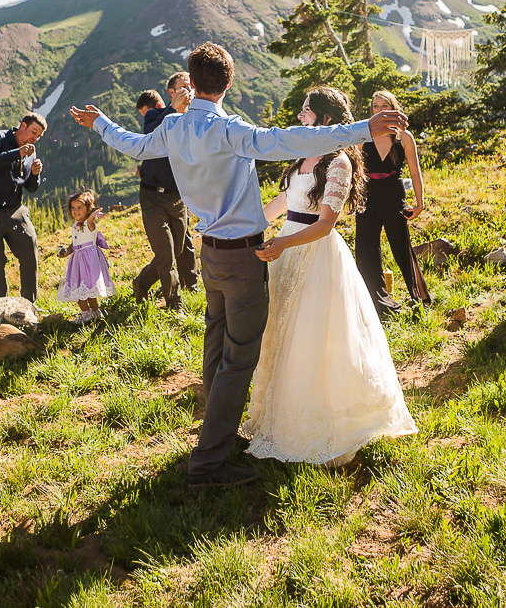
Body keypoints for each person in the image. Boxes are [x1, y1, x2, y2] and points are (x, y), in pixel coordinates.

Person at [70, 41, 408, 488]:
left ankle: (213, 434)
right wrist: (363, 127)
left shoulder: (171, 128)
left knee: (216, 343)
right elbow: (292, 139)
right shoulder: (231, 130)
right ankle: (210, 462)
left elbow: (134, 145)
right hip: (244, 255)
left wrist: (101, 123)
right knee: (238, 358)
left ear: (191, 83)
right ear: (228, 83)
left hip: (208, 251)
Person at [244, 87, 417, 465]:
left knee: (312, 339)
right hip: (285, 248)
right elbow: (283, 203)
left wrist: (282, 245)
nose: (300, 115)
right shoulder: (303, 155)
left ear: (324, 118)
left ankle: (324, 426)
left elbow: (325, 225)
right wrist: (252, 225)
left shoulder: (339, 162)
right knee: (282, 332)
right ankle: (275, 418)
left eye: (306, 110)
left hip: (316, 254)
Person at [354, 90, 430, 316]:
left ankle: (421, 298)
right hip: (367, 196)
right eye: (375, 106)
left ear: (393, 108)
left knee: (401, 246)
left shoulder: (404, 137)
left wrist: (420, 202)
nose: (378, 110)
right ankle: (379, 304)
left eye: (383, 105)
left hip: (393, 194)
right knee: (365, 250)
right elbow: (355, 172)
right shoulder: (363, 136)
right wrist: (352, 198)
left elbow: (415, 173)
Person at [131, 74, 199, 309]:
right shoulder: (155, 114)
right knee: (165, 253)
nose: (187, 92)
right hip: (153, 197)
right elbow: (152, 136)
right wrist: (172, 109)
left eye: (190, 88)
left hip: (178, 196)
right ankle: (174, 302)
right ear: (171, 92)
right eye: (182, 88)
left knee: (177, 249)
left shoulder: (194, 118)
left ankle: (142, 281)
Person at [0, 113, 46, 300]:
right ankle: (1, 305)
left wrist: (35, 174)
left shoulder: (31, 151)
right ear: (23, 125)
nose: (35, 138)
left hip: (16, 209)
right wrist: (18, 153)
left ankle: (29, 305)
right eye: (34, 131)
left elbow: (31, 188)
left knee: (30, 251)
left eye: (38, 135)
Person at [56, 189, 115, 322]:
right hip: (77, 259)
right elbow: (74, 243)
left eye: (80, 208)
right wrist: (67, 252)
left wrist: (93, 215)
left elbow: (90, 221)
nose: (76, 211)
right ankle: (87, 313)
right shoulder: (75, 225)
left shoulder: (89, 224)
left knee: (88, 287)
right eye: (73, 208)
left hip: (89, 260)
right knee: (79, 288)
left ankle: (93, 312)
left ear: (88, 209)